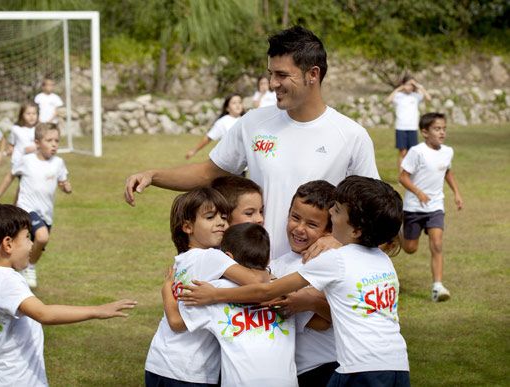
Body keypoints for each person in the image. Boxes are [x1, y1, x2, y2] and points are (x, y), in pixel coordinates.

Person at [125, 25, 379, 261]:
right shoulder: (253, 123)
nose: (272, 84)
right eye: (270, 74)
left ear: (312, 74)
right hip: (254, 269)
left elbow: (375, 211)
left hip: (314, 274)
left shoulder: (351, 135)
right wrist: (153, 175)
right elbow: (208, 173)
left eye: (282, 75)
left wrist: (337, 241)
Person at [179, 176, 410, 387]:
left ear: (354, 229)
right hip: (398, 363)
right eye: (295, 217)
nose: (332, 214)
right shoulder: (382, 260)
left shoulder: (334, 259)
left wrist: (215, 295)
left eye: (336, 212)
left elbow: (267, 292)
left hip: (354, 368)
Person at [0, 203, 137, 387]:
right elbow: (43, 313)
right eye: (27, 238)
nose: (32, 244)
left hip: (0, 378)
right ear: (8, 244)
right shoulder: (7, 281)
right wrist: (97, 310)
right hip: (20, 381)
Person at [144, 187, 271, 386]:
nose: (221, 222)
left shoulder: (182, 261)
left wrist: (166, 292)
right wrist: (268, 272)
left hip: (159, 362)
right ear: (188, 227)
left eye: (224, 217)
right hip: (189, 370)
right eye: (210, 217)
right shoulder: (211, 257)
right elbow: (256, 282)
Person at [162, 223, 297, 387]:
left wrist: (166, 291)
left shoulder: (213, 292)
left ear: (227, 257)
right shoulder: (286, 293)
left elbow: (176, 322)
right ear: (267, 259)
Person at [269, 180, 338, 387]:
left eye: (312, 224)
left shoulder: (327, 259)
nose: (299, 229)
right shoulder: (277, 264)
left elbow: (321, 321)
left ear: (328, 230)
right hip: (296, 371)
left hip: (324, 367)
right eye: (295, 218)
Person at [0, 123, 72, 288]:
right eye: (49, 140)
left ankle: (16, 272)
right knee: (42, 236)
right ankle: (29, 267)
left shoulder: (58, 163)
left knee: (28, 247)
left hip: (46, 214)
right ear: (38, 142)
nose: (54, 144)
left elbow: (64, 182)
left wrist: (67, 187)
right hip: (26, 209)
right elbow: (10, 176)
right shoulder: (26, 161)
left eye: (57, 140)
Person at [399, 112, 463, 302]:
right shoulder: (416, 152)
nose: (442, 132)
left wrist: (456, 193)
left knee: (437, 243)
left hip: (435, 205)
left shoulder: (447, 151)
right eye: (437, 129)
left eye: (444, 128)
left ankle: (437, 287)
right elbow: (402, 177)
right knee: (410, 248)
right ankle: (398, 233)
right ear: (425, 132)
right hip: (414, 207)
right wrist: (418, 192)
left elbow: (447, 172)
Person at [0, 102, 39, 205]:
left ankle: (17, 209)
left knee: (24, 189)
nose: (31, 116)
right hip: (19, 162)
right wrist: (9, 150)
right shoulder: (16, 129)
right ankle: (17, 210)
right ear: (22, 115)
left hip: (34, 164)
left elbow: (43, 143)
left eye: (34, 113)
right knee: (24, 188)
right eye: (28, 113)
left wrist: (36, 147)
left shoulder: (39, 129)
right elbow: (11, 143)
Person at [385, 75, 431, 171]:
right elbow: (387, 101)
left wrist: (417, 85)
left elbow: (428, 98)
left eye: (411, 85)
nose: (409, 87)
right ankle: (401, 176)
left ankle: (410, 175)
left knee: (412, 152)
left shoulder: (416, 96)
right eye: (407, 85)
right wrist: (400, 88)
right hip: (401, 127)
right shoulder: (398, 96)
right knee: (402, 152)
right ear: (403, 85)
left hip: (412, 128)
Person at [185, 93, 244, 159]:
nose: (238, 105)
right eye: (234, 103)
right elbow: (208, 138)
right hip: (228, 163)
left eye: (240, 102)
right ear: (227, 108)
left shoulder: (246, 120)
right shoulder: (223, 122)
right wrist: (194, 151)